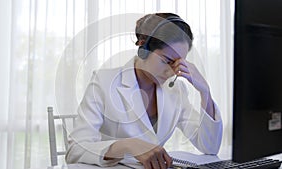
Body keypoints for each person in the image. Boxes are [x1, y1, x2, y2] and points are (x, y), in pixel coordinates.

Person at [66, 13, 223, 169]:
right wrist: (129, 145)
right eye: (167, 61)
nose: (172, 72)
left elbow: (210, 147)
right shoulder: (104, 82)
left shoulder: (177, 91)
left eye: (178, 64)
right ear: (144, 48)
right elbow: (75, 150)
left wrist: (205, 91)